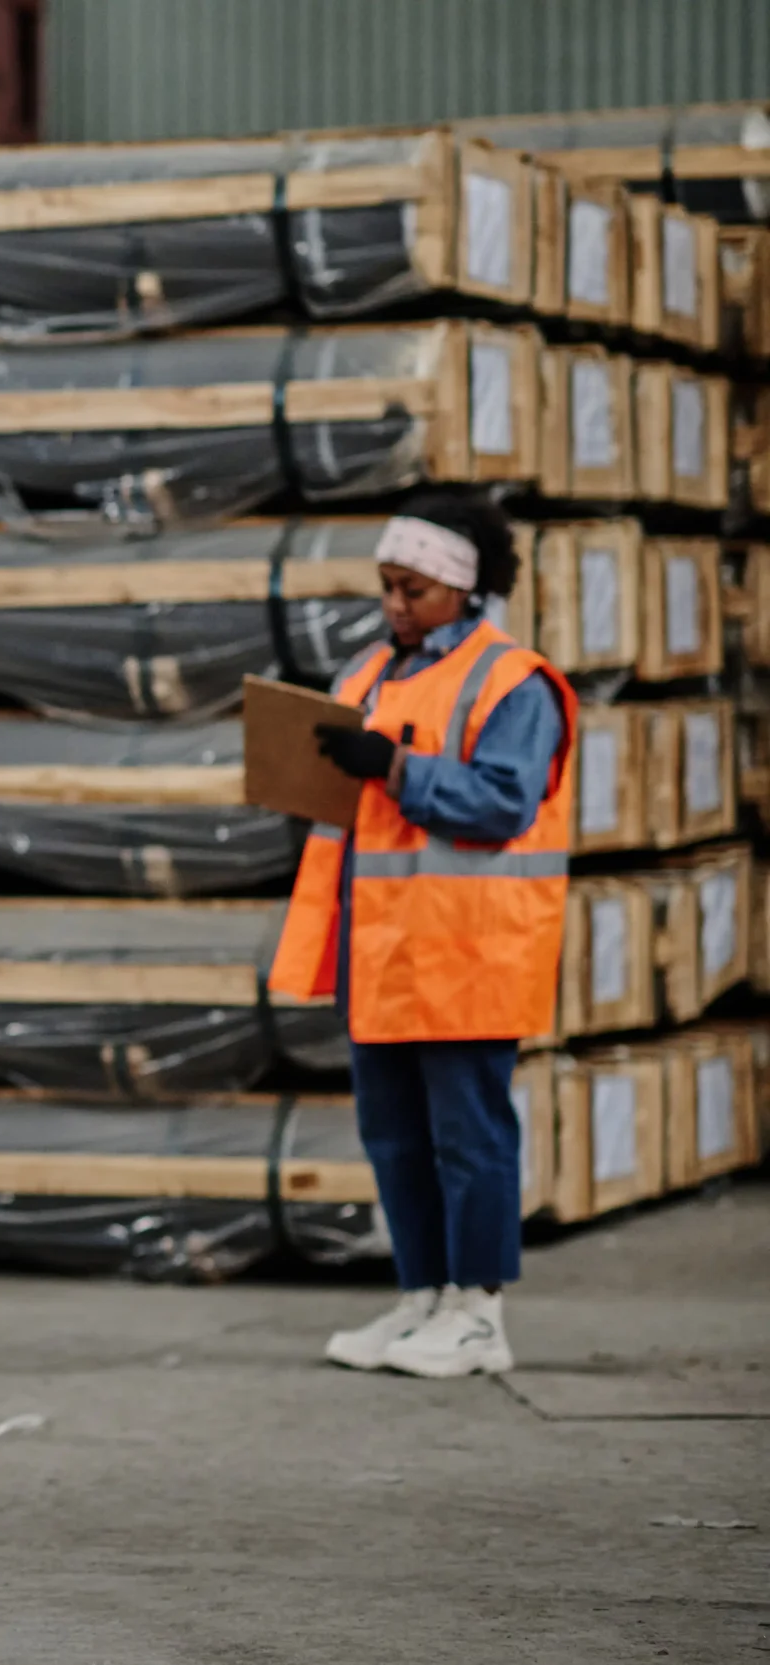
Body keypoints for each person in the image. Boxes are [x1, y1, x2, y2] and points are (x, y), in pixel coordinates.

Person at [269, 491, 576, 1379]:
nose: (396, 604)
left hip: (470, 949)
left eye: (414, 589)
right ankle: (423, 1295)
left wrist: (396, 768)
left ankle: (479, 1312)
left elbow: (501, 803)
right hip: (380, 950)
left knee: (469, 1135)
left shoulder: (511, 680)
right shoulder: (366, 674)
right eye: (387, 586)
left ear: (461, 589)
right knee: (395, 1134)